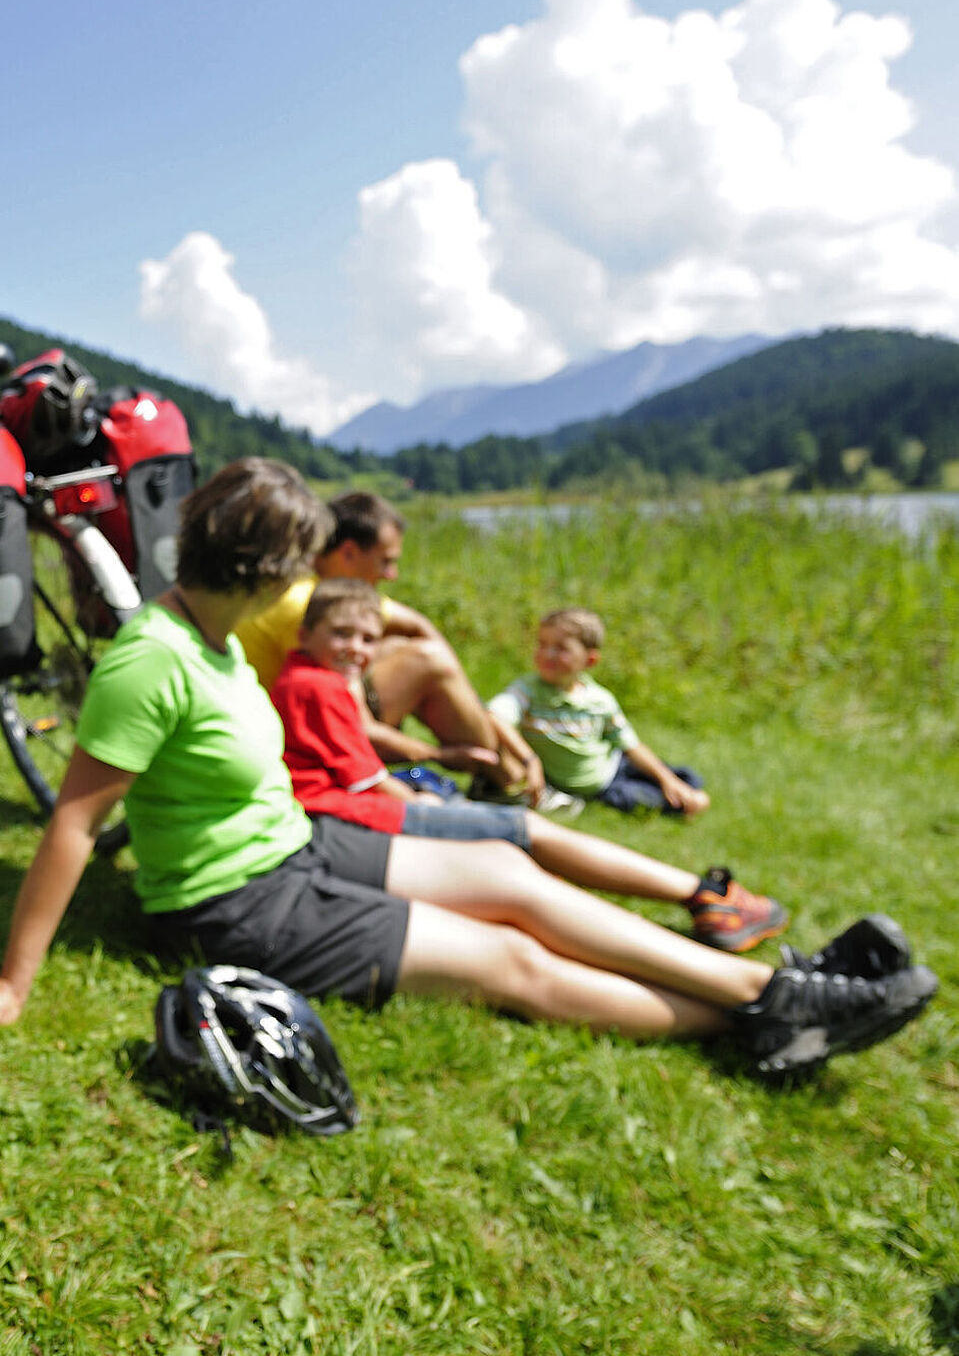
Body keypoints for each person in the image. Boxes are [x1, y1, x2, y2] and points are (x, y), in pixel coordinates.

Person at [0, 459, 937, 1081]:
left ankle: (771, 981)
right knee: (510, 960)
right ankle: (769, 1017)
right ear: (266, 567)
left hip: (299, 843)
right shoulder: (154, 658)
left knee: (507, 875)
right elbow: (76, 824)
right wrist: (12, 984)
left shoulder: (218, 634)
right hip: (238, 901)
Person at [272, 578, 786, 951]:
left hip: (346, 808)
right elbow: (367, 778)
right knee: (524, 828)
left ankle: (699, 897)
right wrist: (420, 805)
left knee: (510, 832)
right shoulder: (316, 687)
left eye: (367, 639)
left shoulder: (310, 677)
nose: (357, 650)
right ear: (305, 634)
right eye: (341, 635)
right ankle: (704, 896)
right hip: (354, 814)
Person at [235, 491, 539, 796]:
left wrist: (468, 698)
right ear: (349, 552)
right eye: (385, 561)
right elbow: (358, 720)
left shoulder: (329, 593)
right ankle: (507, 777)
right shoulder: (307, 605)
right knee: (428, 661)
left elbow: (417, 624)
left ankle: (506, 769)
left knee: (400, 646)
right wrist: (438, 755)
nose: (391, 575)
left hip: (294, 711)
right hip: (288, 731)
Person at [488, 606, 710, 817]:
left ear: (590, 659)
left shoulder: (600, 699)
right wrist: (530, 760)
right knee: (641, 798)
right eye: (542, 644)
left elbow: (630, 745)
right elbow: (494, 716)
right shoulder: (527, 691)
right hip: (603, 788)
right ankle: (687, 801)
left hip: (617, 762)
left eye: (561, 648)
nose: (547, 654)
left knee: (680, 777)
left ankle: (682, 786)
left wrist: (667, 779)